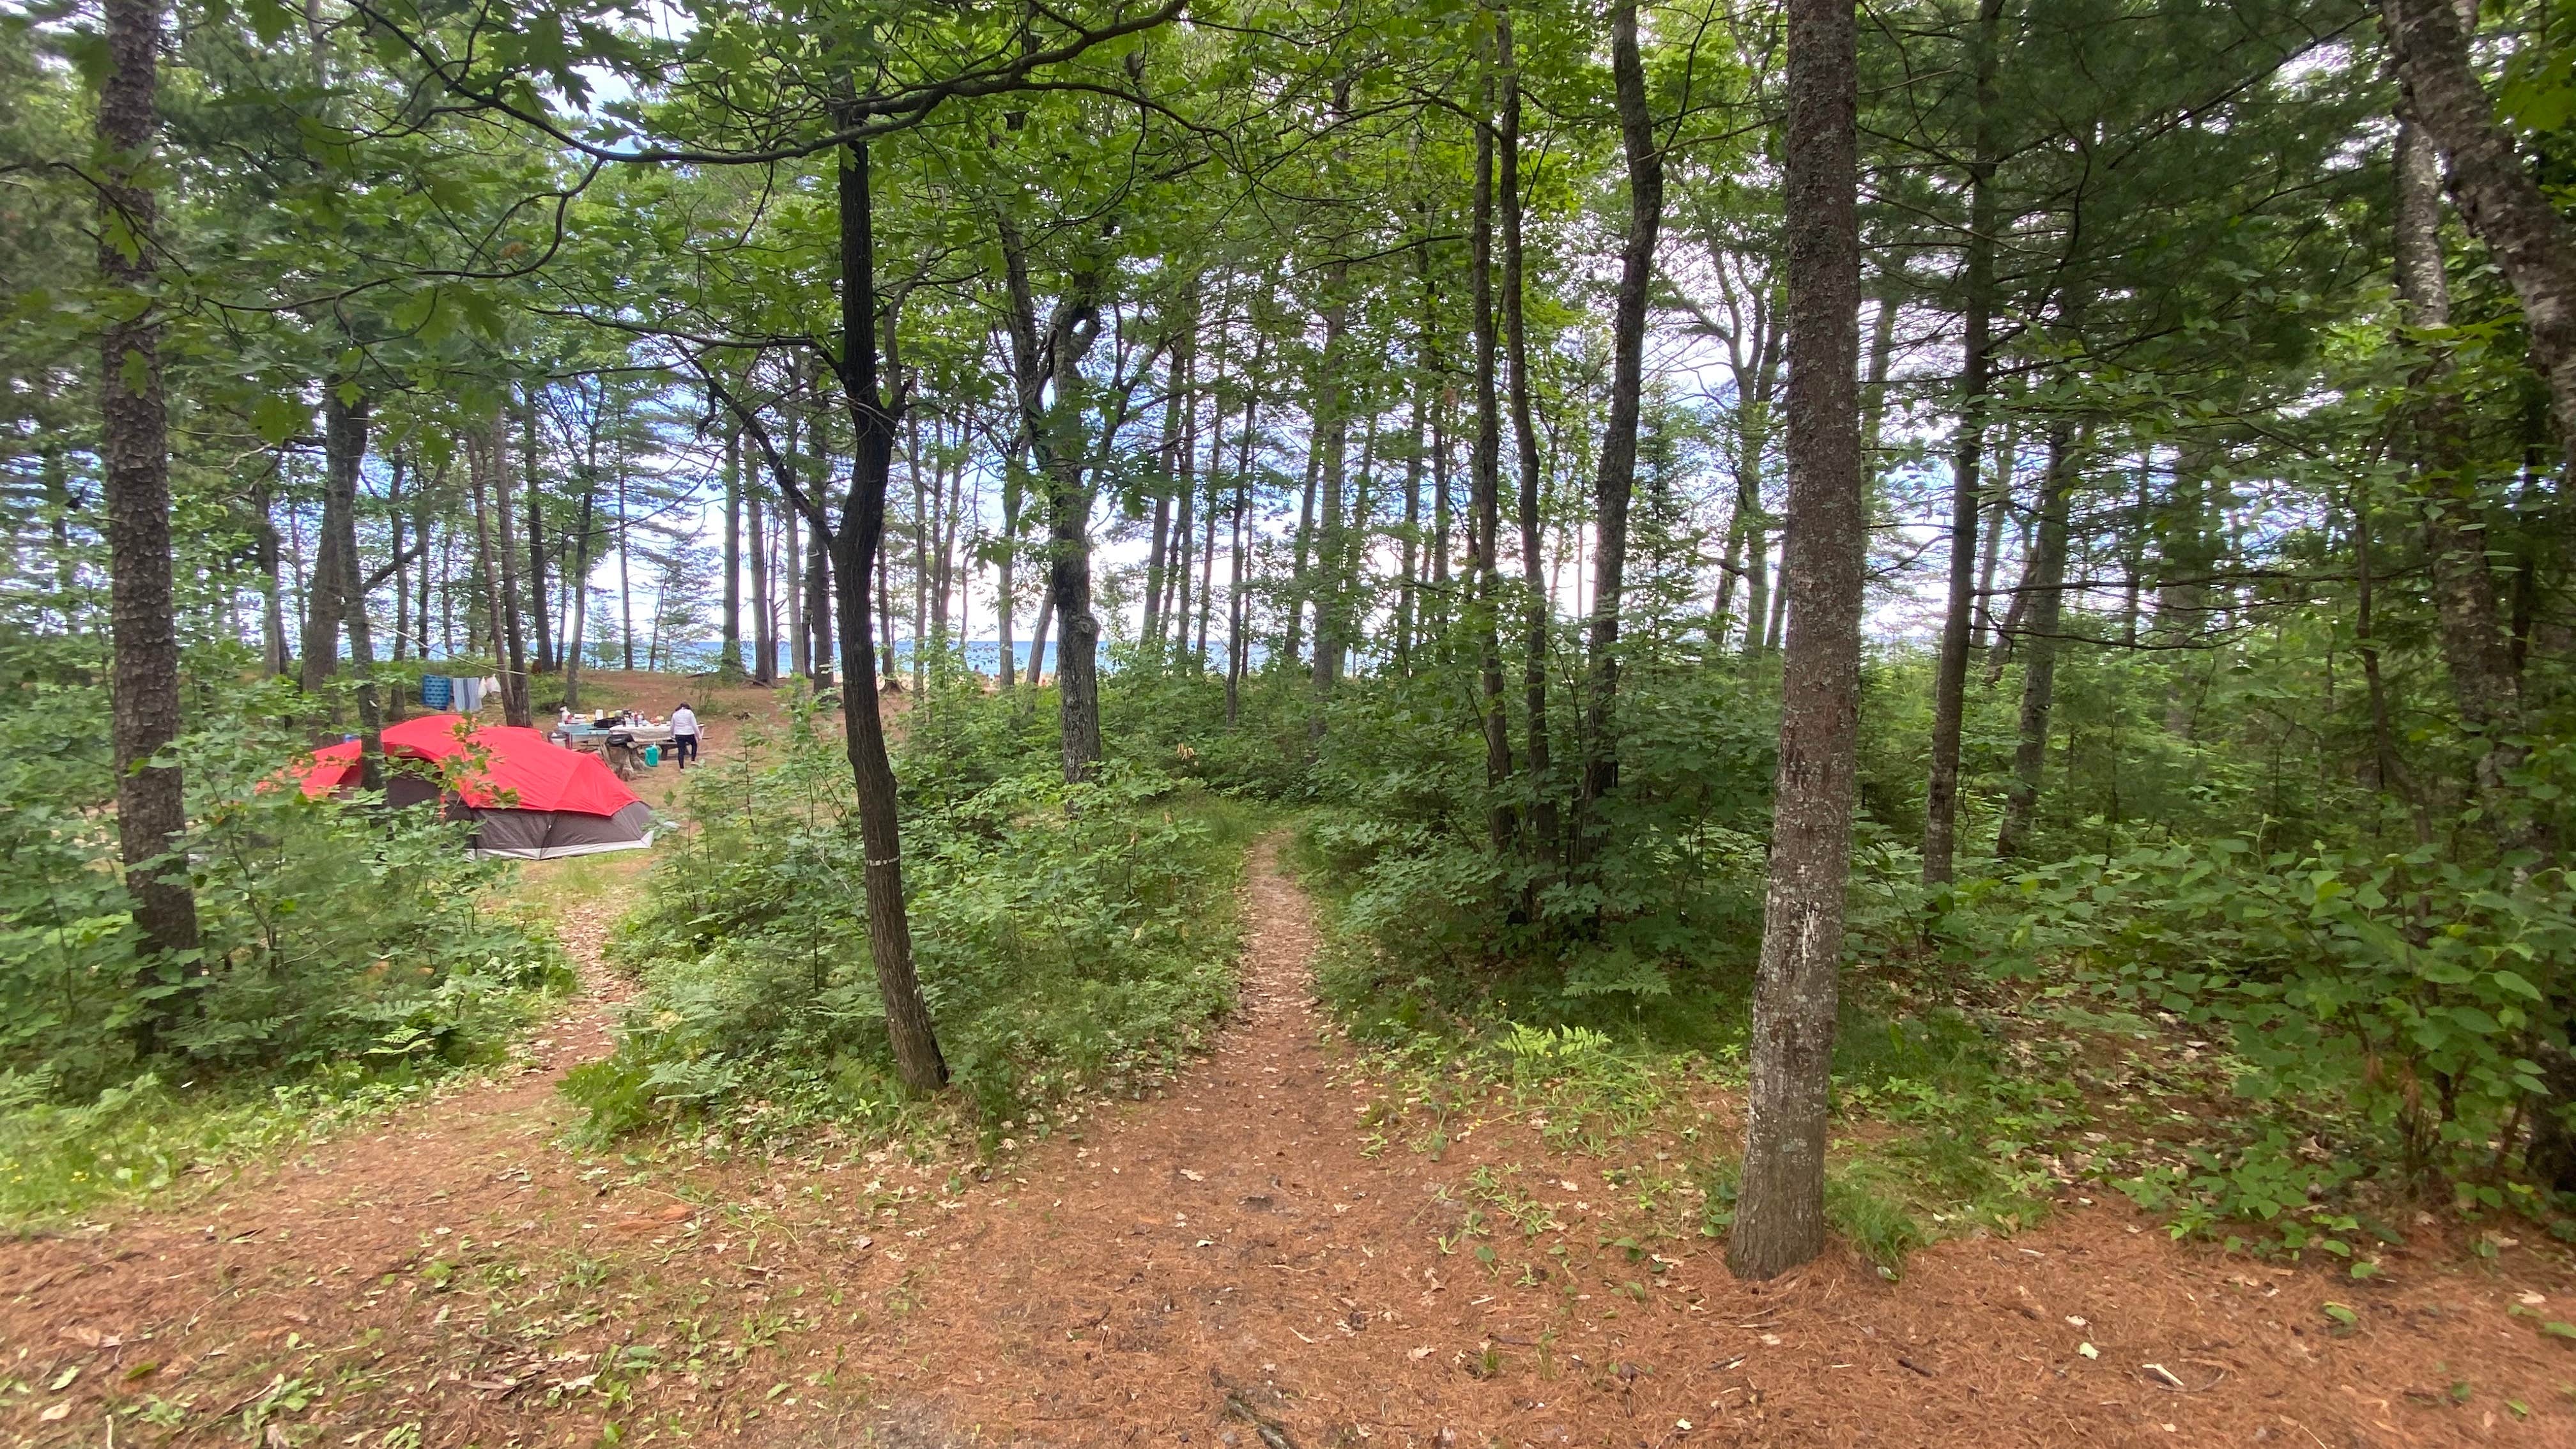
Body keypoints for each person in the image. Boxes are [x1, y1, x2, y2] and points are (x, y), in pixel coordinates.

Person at [670, 702, 701, 769]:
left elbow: (672, 726)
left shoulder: (675, 714)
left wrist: (672, 734)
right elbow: (694, 725)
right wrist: (699, 736)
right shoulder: (690, 713)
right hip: (689, 733)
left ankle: (682, 768)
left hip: (679, 734)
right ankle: (693, 760)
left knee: (681, 751)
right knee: (694, 744)